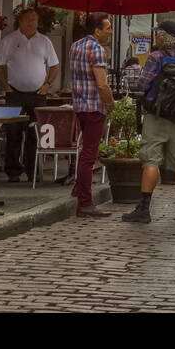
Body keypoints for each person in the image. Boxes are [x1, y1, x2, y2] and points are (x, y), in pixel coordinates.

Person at [124, 19, 175, 224]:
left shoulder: (156, 57)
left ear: (162, 36)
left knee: (151, 161)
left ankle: (144, 208)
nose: (155, 37)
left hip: (156, 116)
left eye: (157, 34)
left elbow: (143, 84)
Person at [0, 7, 59, 183]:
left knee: (35, 134)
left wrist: (47, 85)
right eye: (28, 20)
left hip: (38, 95)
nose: (31, 23)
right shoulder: (9, 40)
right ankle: (13, 171)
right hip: (14, 94)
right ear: (20, 22)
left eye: (34, 20)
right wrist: (4, 85)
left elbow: (54, 66)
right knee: (13, 132)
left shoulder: (44, 42)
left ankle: (33, 171)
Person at [69, 13, 114, 217]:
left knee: (84, 151)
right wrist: (110, 103)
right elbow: (102, 84)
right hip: (94, 106)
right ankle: (85, 203)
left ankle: (79, 187)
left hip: (79, 104)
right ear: (97, 30)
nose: (111, 32)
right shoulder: (97, 49)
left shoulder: (75, 45)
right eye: (108, 28)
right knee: (89, 154)